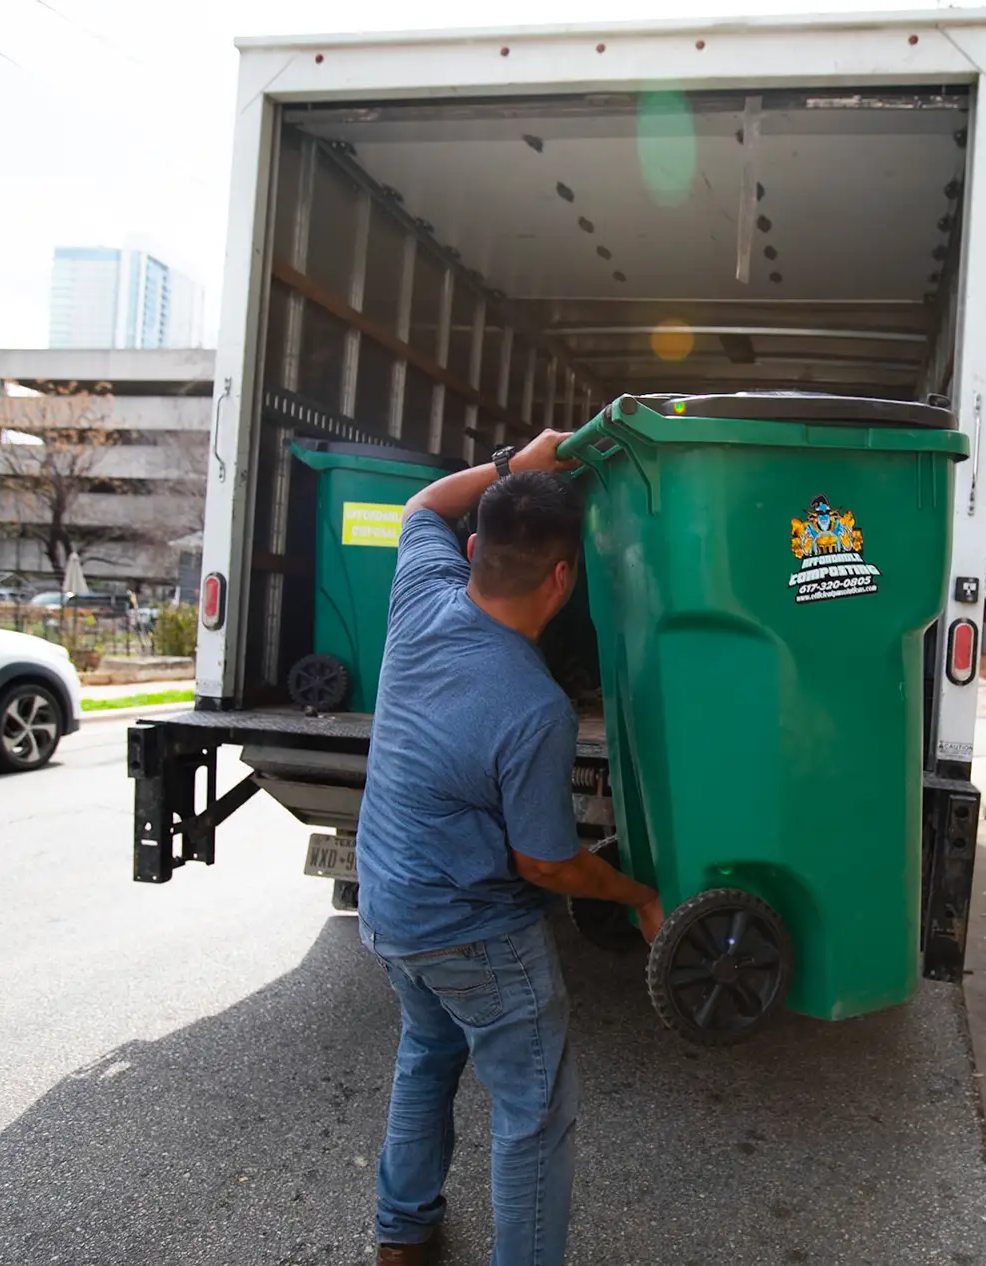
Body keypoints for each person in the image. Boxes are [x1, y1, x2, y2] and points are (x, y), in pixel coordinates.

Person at [354, 427, 664, 1266]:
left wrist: (515, 465)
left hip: (388, 908)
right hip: (473, 935)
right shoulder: (535, 708)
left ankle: (402, 1234)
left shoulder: (421, 599)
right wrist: (639, 894)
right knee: (533, 1110)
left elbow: (422, 504)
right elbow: (545, 863)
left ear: (473, 551)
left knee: (428, 1050)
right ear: (564, 579)